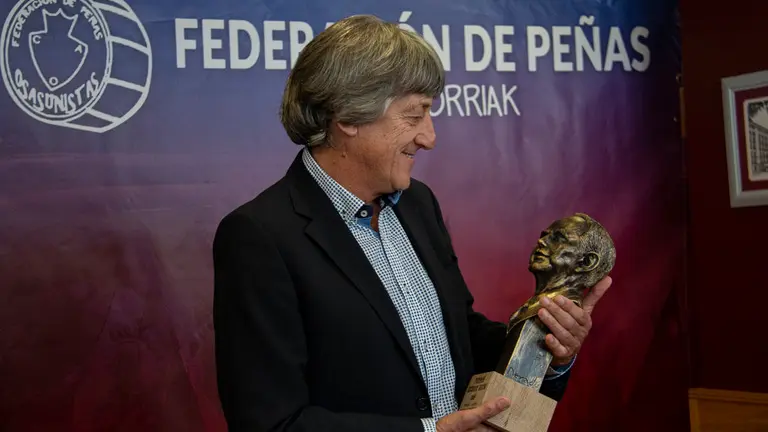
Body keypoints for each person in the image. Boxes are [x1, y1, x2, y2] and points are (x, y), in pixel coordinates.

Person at [212, 14, 613, 432]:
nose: (429, 137)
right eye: (415, 115)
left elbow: (461, 340)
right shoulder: (259, 236)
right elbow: (271, 423)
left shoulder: (418, 204)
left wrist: (549, 346)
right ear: (348, 116)